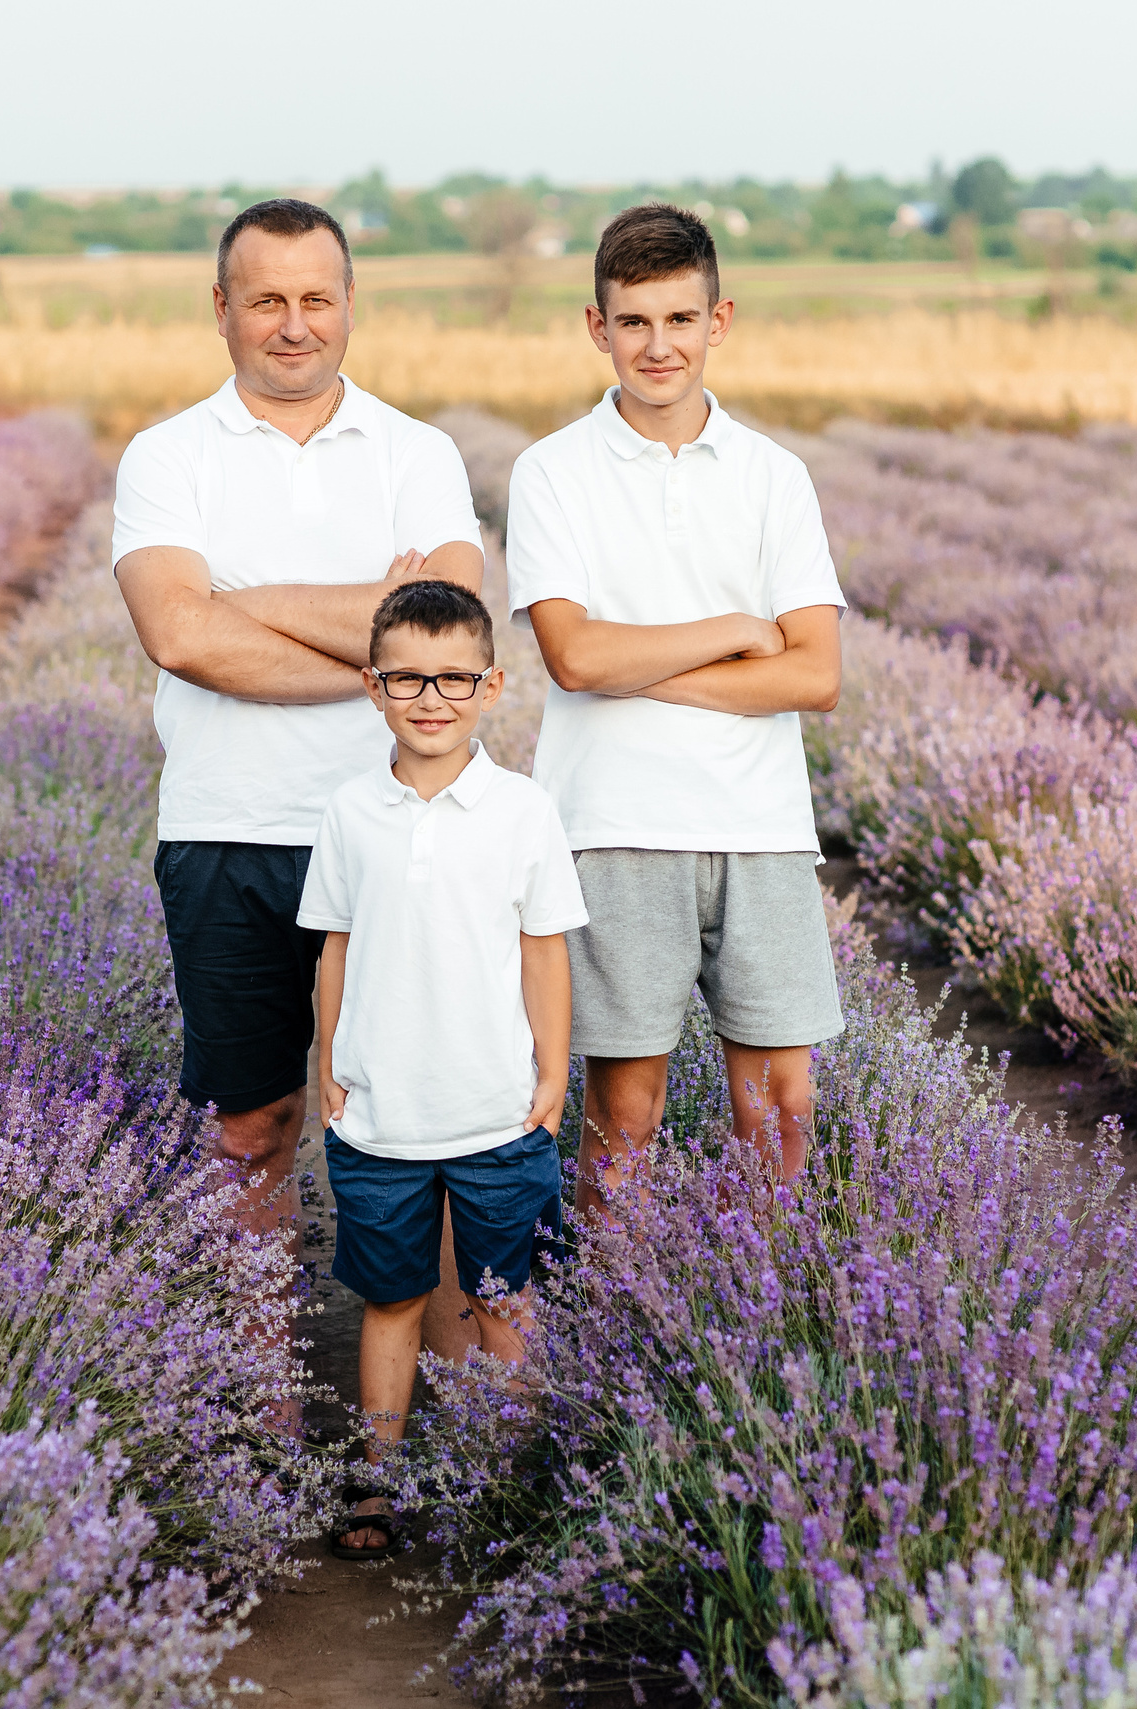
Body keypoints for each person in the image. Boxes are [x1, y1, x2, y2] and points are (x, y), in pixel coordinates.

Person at [112, 200, 486, 1264]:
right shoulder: (165, 455)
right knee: (251, 1128)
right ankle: (265, 1405)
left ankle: (425, 1400)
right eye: (266, 299)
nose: (293, 324)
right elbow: (181, 635)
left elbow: (449, 631)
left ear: (350, 305)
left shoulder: (416, 451)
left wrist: (247, 596)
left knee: (427, 1119)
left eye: (316, 298)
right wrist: (381, 630)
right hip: (229, 832)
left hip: (401, 830)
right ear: (220, 309)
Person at [504, 203, 845, 1215]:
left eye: (680, 320)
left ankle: (765, 1319)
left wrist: (636, 665)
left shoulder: (774, 476)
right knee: (626, 1116)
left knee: (782, 1113)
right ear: (595, 325)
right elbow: (572, 656)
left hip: (760, 828)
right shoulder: (550, 471)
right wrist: (737, 626)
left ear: (719, 319)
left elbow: (813, 675)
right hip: (611, 826)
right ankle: (616, 1339)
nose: (659, 346)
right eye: (635, 322)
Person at [297, 579, 583, 1557]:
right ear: (371, 686)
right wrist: (327, 1062)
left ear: (492, 684)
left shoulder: (521, 809)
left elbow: (544, 949)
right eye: (407, 677)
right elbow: (333, 945)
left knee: (506, 1301)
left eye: (454, 677)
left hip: (497, 1105)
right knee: (391, 1299)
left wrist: (552, 1074)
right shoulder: (348, 811)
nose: (431, 696)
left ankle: (507, 1483)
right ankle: (375, 1481)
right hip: (381, 1110)